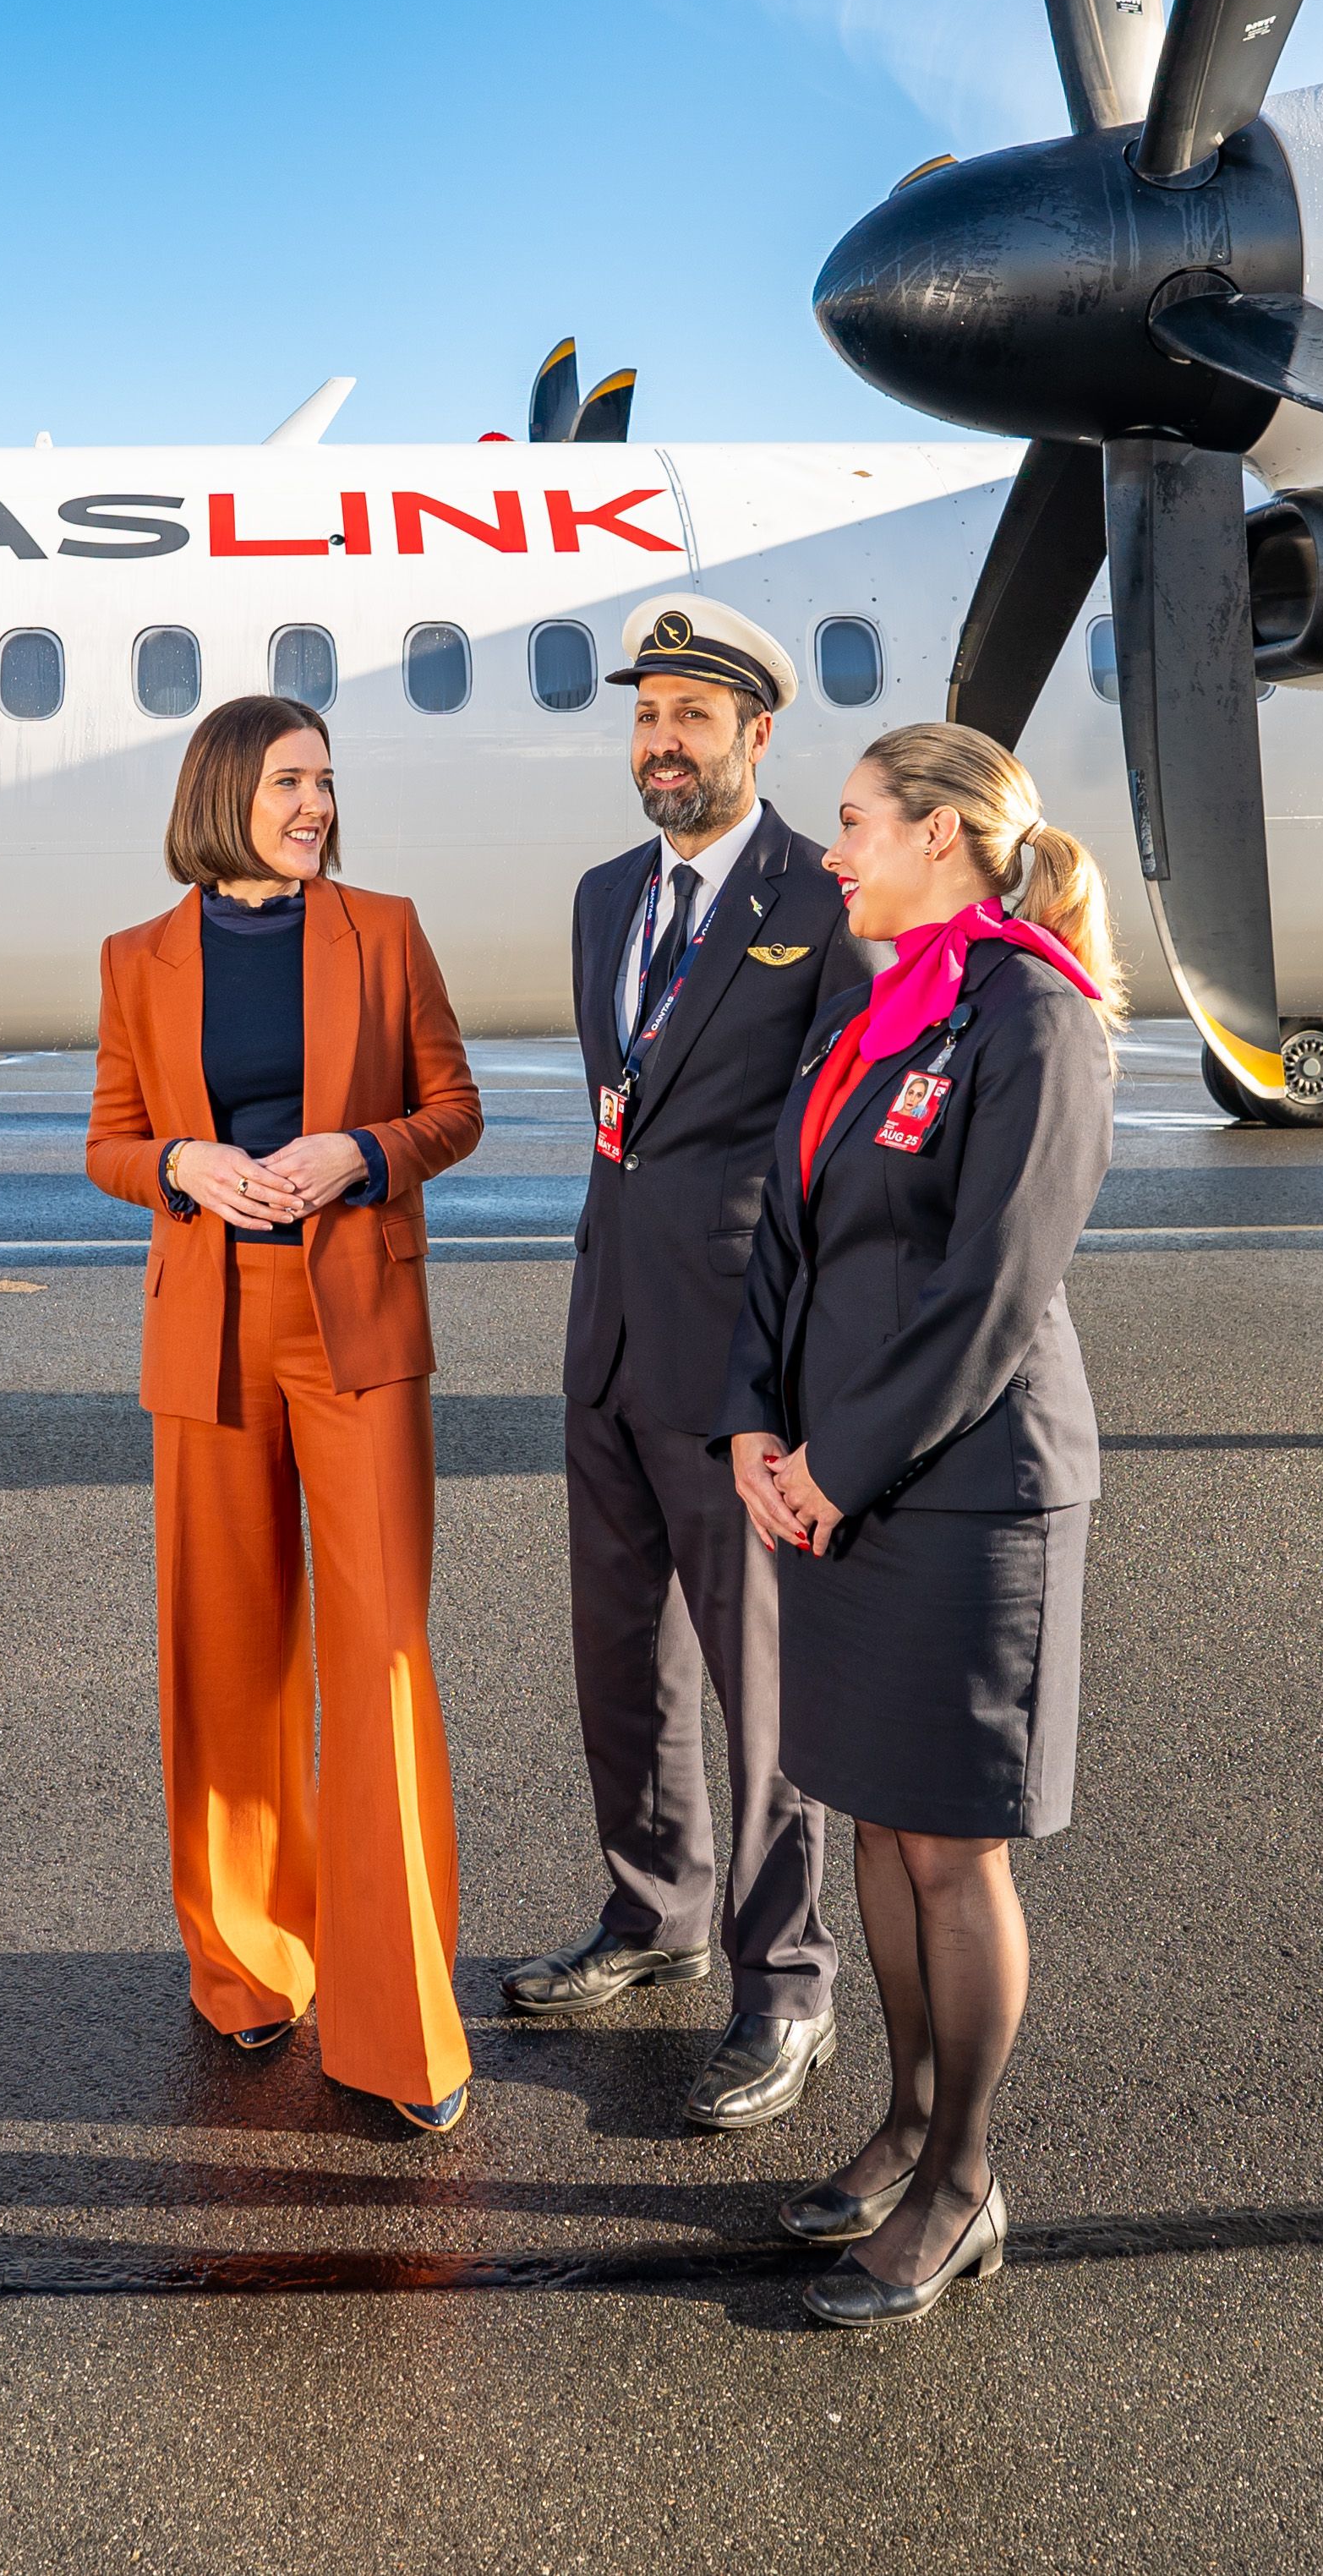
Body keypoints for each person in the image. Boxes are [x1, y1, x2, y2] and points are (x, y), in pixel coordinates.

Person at [724, 720, 1118, 2324]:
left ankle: (961, 2181)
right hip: (842, 1483)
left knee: (951, 1853)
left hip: (967, 1488)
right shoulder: (882, 1005)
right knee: (881, 1823)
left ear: (942, 835)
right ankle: (898, 2123)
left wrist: (838, 1465)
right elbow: (788, 1236)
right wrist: (757, 1421)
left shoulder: (1034, 1011)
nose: (834, 852)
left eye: (855, 823)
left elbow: (995, 1293)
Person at [84, 696, 489, 2129]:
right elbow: (109, 1143)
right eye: (288, 783)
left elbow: (454, 1108)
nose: (314, 804)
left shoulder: (383, 928)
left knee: (375, 1661)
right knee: (224, 1654)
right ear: (222, 796)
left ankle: (399, 2027)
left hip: (353, 1329)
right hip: (207, 1330)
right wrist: (184, 1163)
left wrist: (356, 1154)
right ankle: (247, 1967)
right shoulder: (139, 957)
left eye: (324, 780)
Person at [501, 597, 866, 2132]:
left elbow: (832, 1153)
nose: (660, 744)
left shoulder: (819, 897)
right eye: (645, 717)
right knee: (622, 1658)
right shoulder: (603, 895)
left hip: (742, 1364)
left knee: (761, 1683)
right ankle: (651, 1915)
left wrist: (792, 1388)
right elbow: (625, 1124)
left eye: (691, 719)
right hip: (613, 1338)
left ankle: (783, 1984)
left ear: (755, 735)